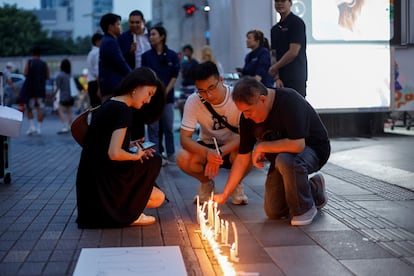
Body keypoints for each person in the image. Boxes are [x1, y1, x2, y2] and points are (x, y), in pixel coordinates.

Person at [213, 77, 330, 226]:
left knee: (285, 159)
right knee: (274, 210)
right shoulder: (246, 118)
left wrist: (262, 147)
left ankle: (305, 209)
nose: (247, 116)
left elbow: (298, 145)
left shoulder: (289, 100)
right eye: (243, 112)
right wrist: (225, 194)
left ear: (262, 100)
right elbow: (243, 158)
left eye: (249, 111)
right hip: (281, 160)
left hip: (313, 150)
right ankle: (314, 188)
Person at [75, 67, 166, 229]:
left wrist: (130, 145)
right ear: (136, 87)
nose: (148, 100)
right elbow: (114, 153)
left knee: (156, 193)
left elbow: (103, 143)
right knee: (154, 164)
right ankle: (129, 214)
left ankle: (129, 209)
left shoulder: (111, 103)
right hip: (104, 184)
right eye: (149, 93)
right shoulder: (123, 110)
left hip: (91, 188)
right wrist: (136, 155)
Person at [176, 61, 248, 205]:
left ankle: (235, 183)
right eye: (201, 90)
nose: (208, 94)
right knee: (183, 158)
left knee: (247, 153)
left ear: (221, 80)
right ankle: (206, 183)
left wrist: (219, 153)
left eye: (211, 88)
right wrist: (208, 153)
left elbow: (246, 136)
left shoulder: (238, 96)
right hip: (207, 145)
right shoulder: (193, 100)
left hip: (233, 145)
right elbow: (185, 138)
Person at [142, 26, 180, 163]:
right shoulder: (146, 56)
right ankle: (156, 156)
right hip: (151, 98)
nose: (151, 37)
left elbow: (174, 76)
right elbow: (145, 76)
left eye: (153, 34)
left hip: (167, 98)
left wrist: (164, 91)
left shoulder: (172, 55)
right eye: (150, 35)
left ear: (162, 36)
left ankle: (171, 154)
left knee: (168, 127)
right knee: (153, 128)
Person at [269, 0, 308, 97]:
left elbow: (293, 52)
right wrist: (276, 78)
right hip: (281, 79)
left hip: (295, 76)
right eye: (277, 1)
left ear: (290, 3)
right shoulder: (275, 29)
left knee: (297, 109)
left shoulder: (296, 23)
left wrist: (275, 67)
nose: (279, 4)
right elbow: (273, 54)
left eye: (283, 1)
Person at [99, 13, 131, 102]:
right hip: (113, 88)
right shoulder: (110, 42)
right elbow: (120, 63)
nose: (120, 27)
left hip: (110, 87)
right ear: (111, 27)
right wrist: (133, 76)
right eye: (118, 24)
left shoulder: (107, 41)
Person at [23, 46, 50, 135]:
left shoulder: (29, 62)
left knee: (29, 108)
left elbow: (25, 73)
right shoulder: (44, 64)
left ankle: (31, 126)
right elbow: (48, 76)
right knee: (40, 108)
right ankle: (38, 128)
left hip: (30, 89)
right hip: (41, 90)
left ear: (32, 54)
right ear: (40, 54)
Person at [178, 44, 198, 120]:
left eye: (188, 51)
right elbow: (182, 74)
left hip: (192, 85)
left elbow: (197, 74)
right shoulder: (183, 63)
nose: (186, 53)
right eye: (185, 51)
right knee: (180, 104)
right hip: (184, 85)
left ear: (191, 52)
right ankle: (183, 122)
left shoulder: (195, 62)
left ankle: (190, 123)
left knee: (190, 105)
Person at [54, 59, 74, 134]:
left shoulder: (60, 75)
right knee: (69, 112)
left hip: (63, 96)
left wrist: (54, 94)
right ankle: (71, 126)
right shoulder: (70, 75)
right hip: (71, 96)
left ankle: (65, 126)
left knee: (61, 110)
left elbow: (58, 86)